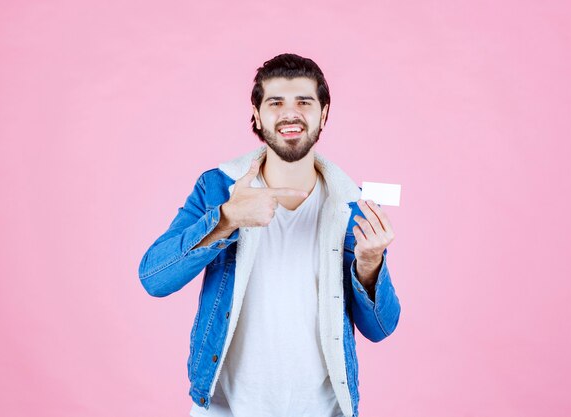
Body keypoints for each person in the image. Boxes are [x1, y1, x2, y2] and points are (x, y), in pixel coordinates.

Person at [138, 53, 401, 417]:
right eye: (275, 102)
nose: (290, 114)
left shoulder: (350, 204)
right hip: (225, 409)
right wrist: (227, 218)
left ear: (323, 114)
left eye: (304, 102)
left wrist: (370, 265)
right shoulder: (218, 188)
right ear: (257, 115)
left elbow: (381, 327)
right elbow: (154, 278)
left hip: (324, 410)